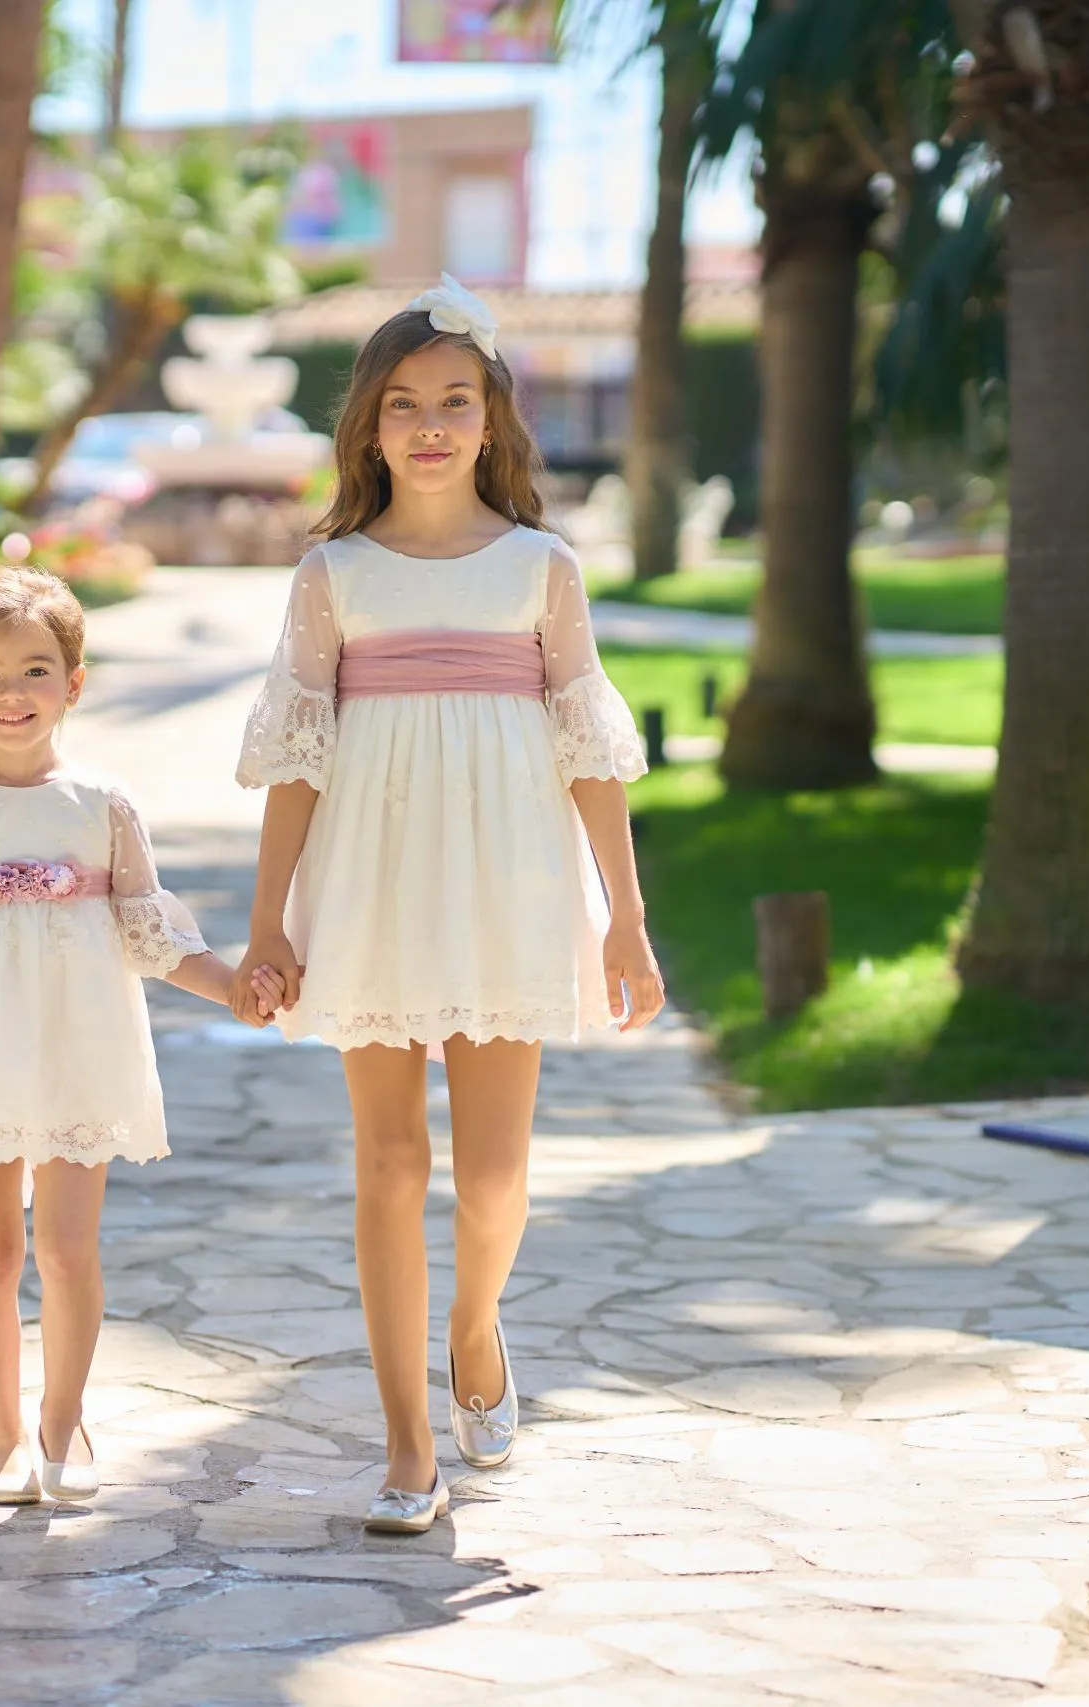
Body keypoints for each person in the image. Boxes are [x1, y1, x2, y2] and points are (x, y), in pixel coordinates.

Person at [234, 276, 668, 1535]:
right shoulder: (333, 576)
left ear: (492, 420)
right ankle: (407, 1445)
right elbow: (295, 759)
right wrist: (269, 923)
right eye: (403, 404)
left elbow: (589, 748)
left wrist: (624, 917)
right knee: (388, 1163)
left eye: (454, 402)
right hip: (370, 881)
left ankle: (476, 1329)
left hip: (511, 879)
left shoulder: (542, 569)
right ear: (368, 427)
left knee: (489, 1178)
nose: (429, 425)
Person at [0, 568, 257, 1507]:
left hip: (80, 1048)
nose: (11, 693)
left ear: (74, 682)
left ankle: (61, 1416)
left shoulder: (102, 806)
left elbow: (153, 936)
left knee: (69, 1249)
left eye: (35, 670)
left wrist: (237, 987)